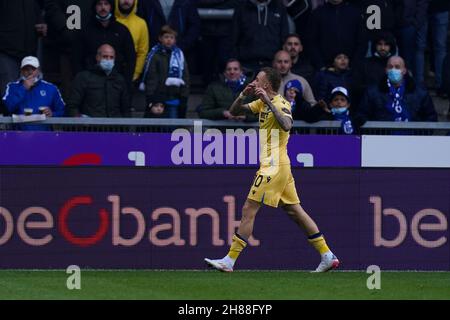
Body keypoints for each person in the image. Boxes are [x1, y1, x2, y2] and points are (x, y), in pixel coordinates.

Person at [204, 67, 340, 273]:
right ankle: (327, 255)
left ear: (267, 85)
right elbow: (235, 111)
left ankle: (229, 260)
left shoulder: (281, 103)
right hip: (278, 165)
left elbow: (286, 125)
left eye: (257, 80)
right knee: (295, 211)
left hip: (274, 165)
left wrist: (268, 101)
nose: (254, 82)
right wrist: (243, 93)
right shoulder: (260, 102)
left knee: (249, 209)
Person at [72, 0, 136, 88]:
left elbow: (131, 59)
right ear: (95, 7)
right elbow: (76, 59)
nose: (103, 7)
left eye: (106, 4)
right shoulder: (85, 31)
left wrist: (125, 82)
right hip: (90, 84)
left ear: (111, 7)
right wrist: (82, 82)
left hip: (116, 84)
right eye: (99, 4)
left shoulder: (122, 30)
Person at [357, 56, 438, 123]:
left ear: (404, 70)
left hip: (413, 139)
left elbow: (431, 117)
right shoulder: (372, 92)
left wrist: (419, 135)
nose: (393, 70)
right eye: (390, 67)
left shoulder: (419, 92)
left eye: (397, 67)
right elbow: (361, 115)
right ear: (386, 70)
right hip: (382, 139)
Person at [2, 56, 65, 130]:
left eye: (33, 69)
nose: (30, 72)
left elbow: (63, 111)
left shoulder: (51, 88)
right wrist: (23, 88)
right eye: (26, 69)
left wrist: (52, 114)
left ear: (38, 70)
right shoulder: (12, 86)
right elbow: (7, 108)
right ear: (21, 71)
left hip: (44, 136)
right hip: (19, 136)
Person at [67, 44, 130, 117]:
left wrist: (126, 127)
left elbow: (126, 109)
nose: (108, 60)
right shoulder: (83, 77)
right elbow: (72, 105)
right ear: (97, 57)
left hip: (114, 126)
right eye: (105, 56)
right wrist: (80, 123)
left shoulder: (119, 79)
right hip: (91, 126)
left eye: (111, 57)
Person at [141, 25, 189, 119]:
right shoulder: (155, 55)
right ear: (160, 38)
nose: (169, 40)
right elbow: (151, 77)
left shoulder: (179, 56)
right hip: (158, 100)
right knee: (157, 127)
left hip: (174, 99)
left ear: (175, 40)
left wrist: (184, 96)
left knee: (172, 127)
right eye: (166, 37)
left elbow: (185, 77)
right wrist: (150, 97)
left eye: (172, 37)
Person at [231, 0, 289, 73]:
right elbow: (233, 38)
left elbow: (284, 37)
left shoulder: (279, 7)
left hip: (273, 66)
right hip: (246, 66)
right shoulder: (241, 7)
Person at [306, 0, 365, 70]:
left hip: (351, 69)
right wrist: (321, 66)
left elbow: (362, 42)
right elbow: (311, 42)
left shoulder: (355, 13)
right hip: (325, 69)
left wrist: (354, 65)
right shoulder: (317, 14)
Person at [352, 31, 398, 109]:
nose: (383, 48)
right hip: (369, 106)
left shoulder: (397, 65)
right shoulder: (364, 64)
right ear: (375, 46)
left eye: (386, 44)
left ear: (391, 46)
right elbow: (356, 87)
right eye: (379, 44)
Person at [115, 0, 149, 84]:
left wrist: (135, 73)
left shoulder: (141, 23)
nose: (126, 1)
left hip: (131, 74)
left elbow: (142, 52)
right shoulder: (111, 21)